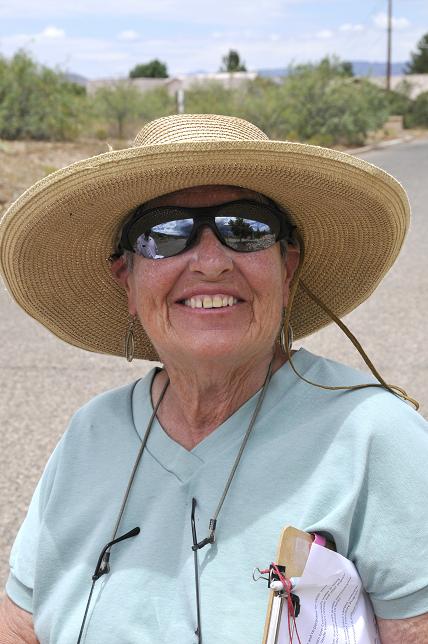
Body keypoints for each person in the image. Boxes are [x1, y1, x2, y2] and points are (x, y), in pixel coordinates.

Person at [0, 113, 427, 644]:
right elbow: (19, 627)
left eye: (245, 228)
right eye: (163, 234)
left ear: (287, 269)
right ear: (127, 284)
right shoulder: (91, 433)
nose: (210, 262)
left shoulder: (375, 436)